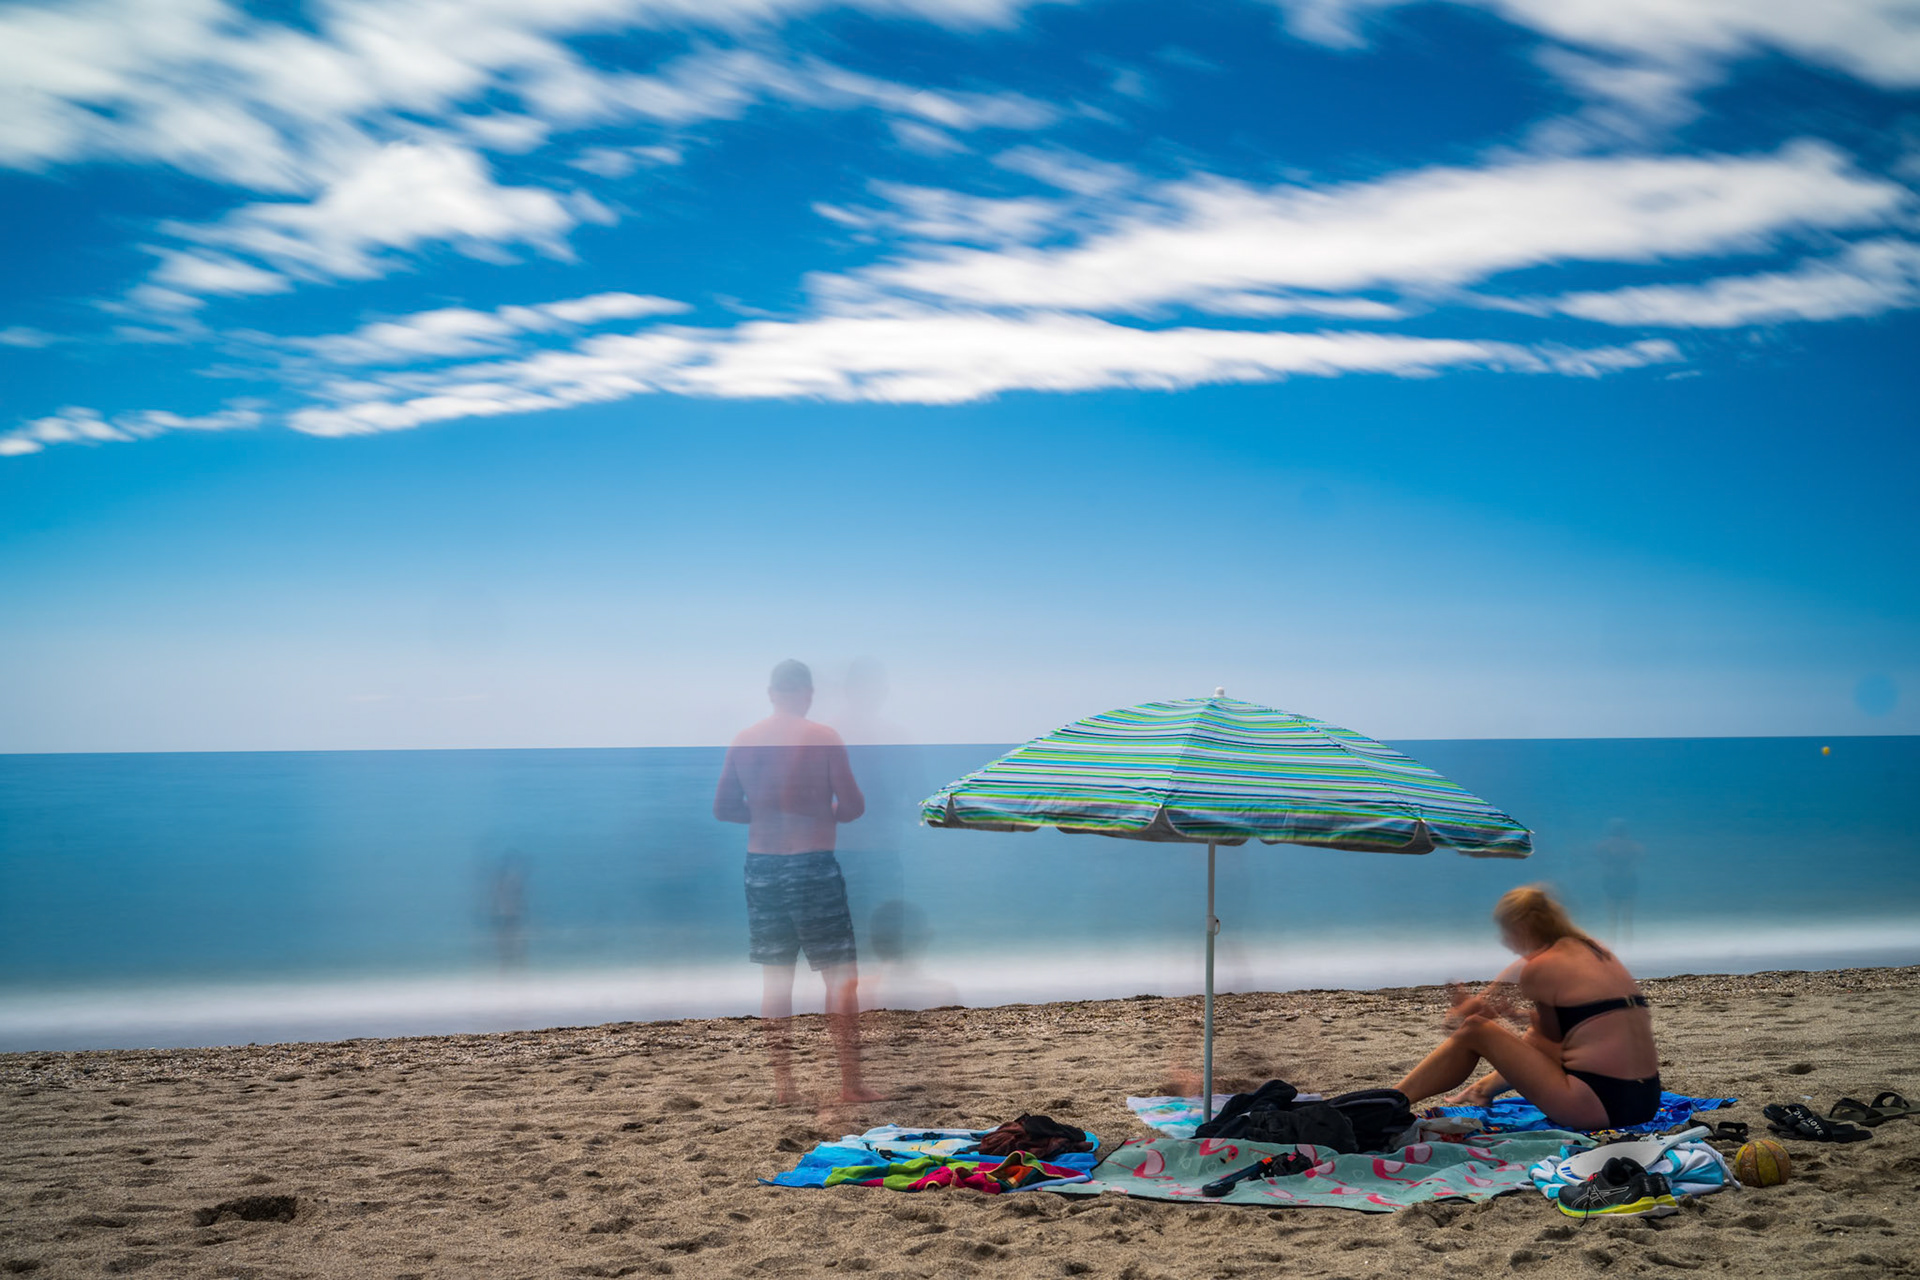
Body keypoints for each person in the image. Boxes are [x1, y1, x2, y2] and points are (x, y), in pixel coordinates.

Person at [714, 659, 880, 1105]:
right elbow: (854, 805)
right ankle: (849, 1085)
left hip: (761, 867)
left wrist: (766, 814)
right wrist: (818, 813)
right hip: (811, 864)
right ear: (806, 694)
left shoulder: (744, 740)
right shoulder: (823, 737)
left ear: (771, 692)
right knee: (841, 978)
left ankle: (784, 1088)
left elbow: (724, 808)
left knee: (775, 980)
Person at [1394, 885, 1661, 1131]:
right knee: (1525, 1032)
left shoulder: (1542, 967)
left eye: (1505, 931)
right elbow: (1565, 1032)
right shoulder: (1594, 950)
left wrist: (1470, 1016)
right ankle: (1480, 1089)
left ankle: (1393, 1101)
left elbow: (1547, 1043)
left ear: (1520, 928)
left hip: (1599, 1106)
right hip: (1644, 1101)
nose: (1504, 941)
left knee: (1476, 1030)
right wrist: (1512, 1015)